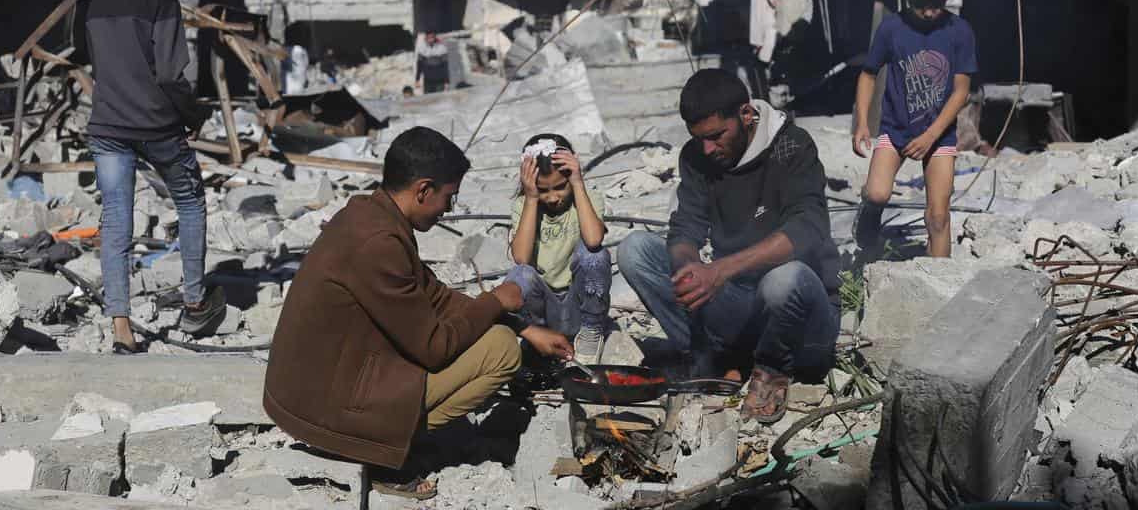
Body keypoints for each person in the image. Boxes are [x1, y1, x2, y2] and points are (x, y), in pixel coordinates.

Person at [263, 126, 571, 499]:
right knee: (501, 351)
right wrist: (497, 301)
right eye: (448, 198)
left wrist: (523, 327)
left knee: (504, 336)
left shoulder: (373, 214)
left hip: (321, 385)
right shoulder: (379, 242)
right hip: (321, 409)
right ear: (423, 190)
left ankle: (389, 436)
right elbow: (434, 347)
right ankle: (381, 454)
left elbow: (435, 296)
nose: (447, 210)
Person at [617, 69, 841, 424]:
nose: (708, 148)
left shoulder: (792, 146)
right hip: (741, 307)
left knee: (784, 280)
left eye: (717, 136)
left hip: (803, 326)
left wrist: (719, 271)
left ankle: (771, 371)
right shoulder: (697, 157)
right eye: (699, 138)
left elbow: (808, 228)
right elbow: (685, 227)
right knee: (635, 251)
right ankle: (711, 359)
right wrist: (689, 266)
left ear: (746, 114)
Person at [85, 0, 225, 354]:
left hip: (107, 126)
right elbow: (169, 74)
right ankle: (195, 301)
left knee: (116, 221)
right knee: (189, 202)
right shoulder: (161, 0)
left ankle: (122, 327)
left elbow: (100, 63)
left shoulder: (97, 1)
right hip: (157, 125)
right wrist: (194, 114)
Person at [851, 0, 976, 258]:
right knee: (878, 193)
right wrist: (863, 123)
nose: (932, 12)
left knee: (937, 217)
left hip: (938, 135)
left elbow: (962, 90)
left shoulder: (959, 31)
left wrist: (931, 135)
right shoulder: (891, 29)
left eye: (938, 3)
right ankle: (867, 216)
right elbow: (868, 74)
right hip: (895, 130)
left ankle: (940, 286)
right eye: (924, 5)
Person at [505, 134, 610, 364]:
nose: (553, 197)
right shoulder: (524, 206)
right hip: (544, 313)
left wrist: (577, 184)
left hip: (579, 307)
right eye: (544, 190)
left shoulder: (588, 198)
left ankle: (591, 334)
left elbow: (593, 240)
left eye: (560, 187)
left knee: (596, 255)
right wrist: (532, 198)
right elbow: (521, 258)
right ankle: (535, 340)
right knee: (519, 275)